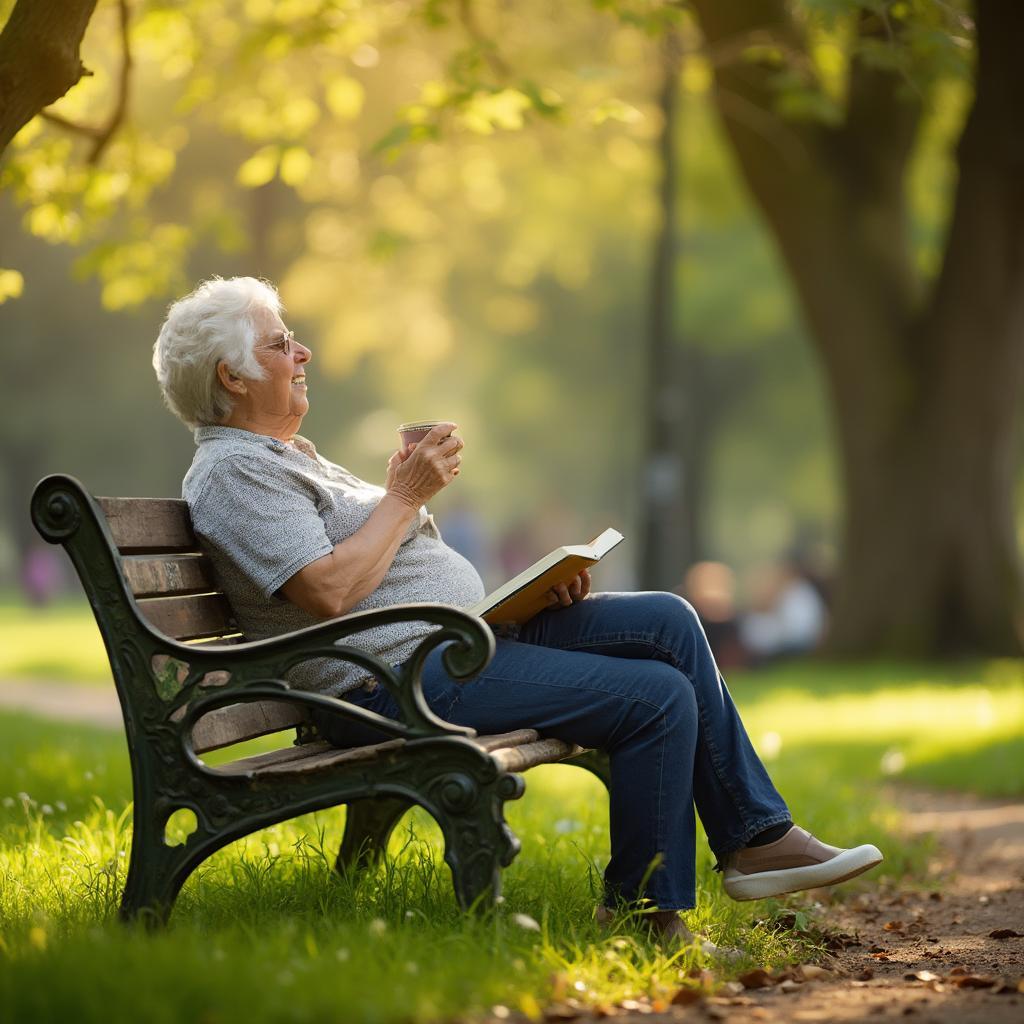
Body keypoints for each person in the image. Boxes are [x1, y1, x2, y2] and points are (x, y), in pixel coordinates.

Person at [152, 277, 882, 945]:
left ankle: (757, 836)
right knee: (655, 697)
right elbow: (326, 593)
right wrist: (403, 496)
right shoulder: (233, 470)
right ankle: (642, 917)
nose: (302, 350)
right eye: (281, 343)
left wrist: (519, 596)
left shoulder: (287, 456)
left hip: (450, 645)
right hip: (386, 684)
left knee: (668, 619)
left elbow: (366, 570)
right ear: (233, 376)